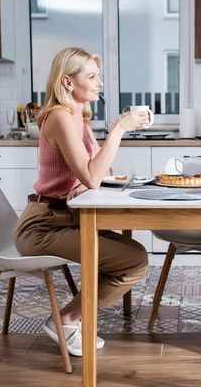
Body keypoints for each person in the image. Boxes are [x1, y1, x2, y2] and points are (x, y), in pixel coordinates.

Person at [14, 47, 150, 357]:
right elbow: (93, 177)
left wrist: (83, 180)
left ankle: (68, 318)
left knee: (134, 256)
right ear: (67, 82)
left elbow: (102, 173)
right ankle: (66, 319)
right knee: (132, 261)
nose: (99, 83)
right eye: (91, 76)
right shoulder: (59, 117)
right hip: (43, 226)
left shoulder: (79, 117)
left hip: (66, 217)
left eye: (98, 76)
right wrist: (118, 129)